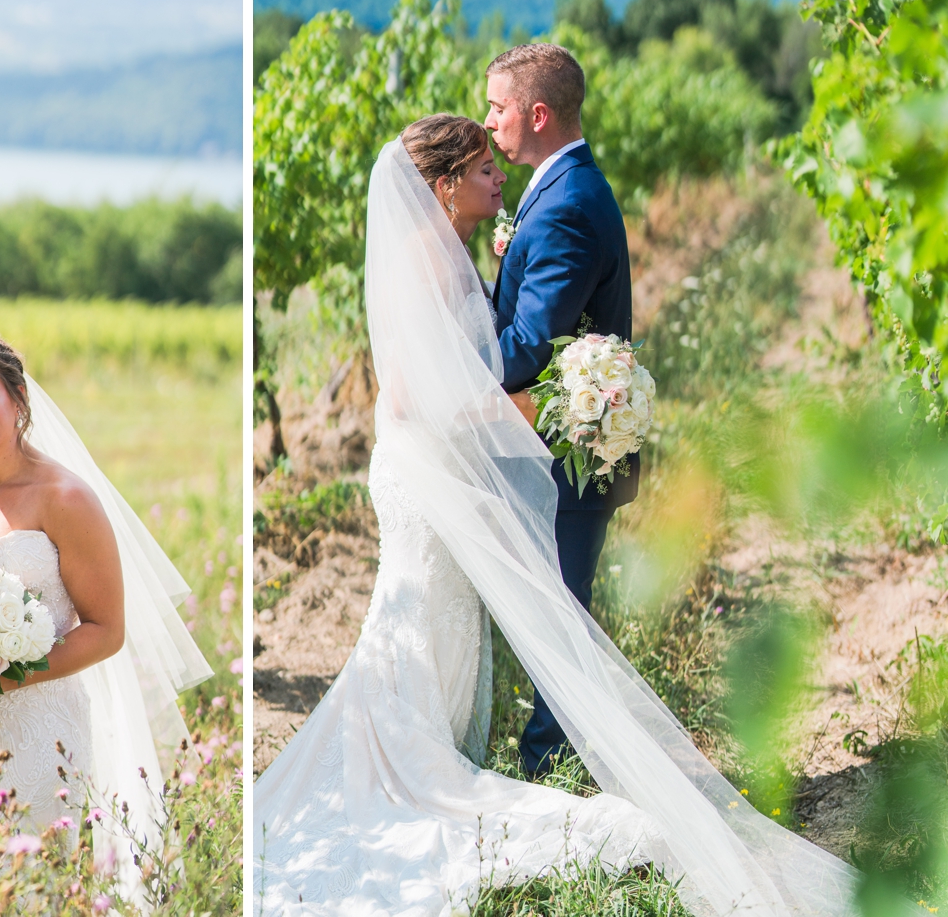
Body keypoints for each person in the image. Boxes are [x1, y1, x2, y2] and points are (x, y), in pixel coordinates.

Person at [255, 124, 859, 917]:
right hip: (421, 472)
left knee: (433, 621)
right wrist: (537, 403)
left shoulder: (448, 249)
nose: (497, 177)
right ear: (442, 186)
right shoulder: (427, 261)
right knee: (418, 611)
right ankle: (410, 765)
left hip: (431, 466)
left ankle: (420, 749)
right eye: (480, 168)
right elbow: (407, 394)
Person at [0, 330, 210, 861]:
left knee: (26, 881)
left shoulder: (66, 498)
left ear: (18, 398)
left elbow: (105, 631)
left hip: (37, 729)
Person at [483, 40, 637, 776]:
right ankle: (555, 763)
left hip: (571, 456)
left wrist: (446, 345)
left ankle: (552, 774)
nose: (489, 123)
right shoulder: (563, 189)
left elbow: (526, 346)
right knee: (556, 612)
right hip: (561, 450)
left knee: (562, 621)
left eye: (498, 108)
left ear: (537, 114)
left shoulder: (568, 205)